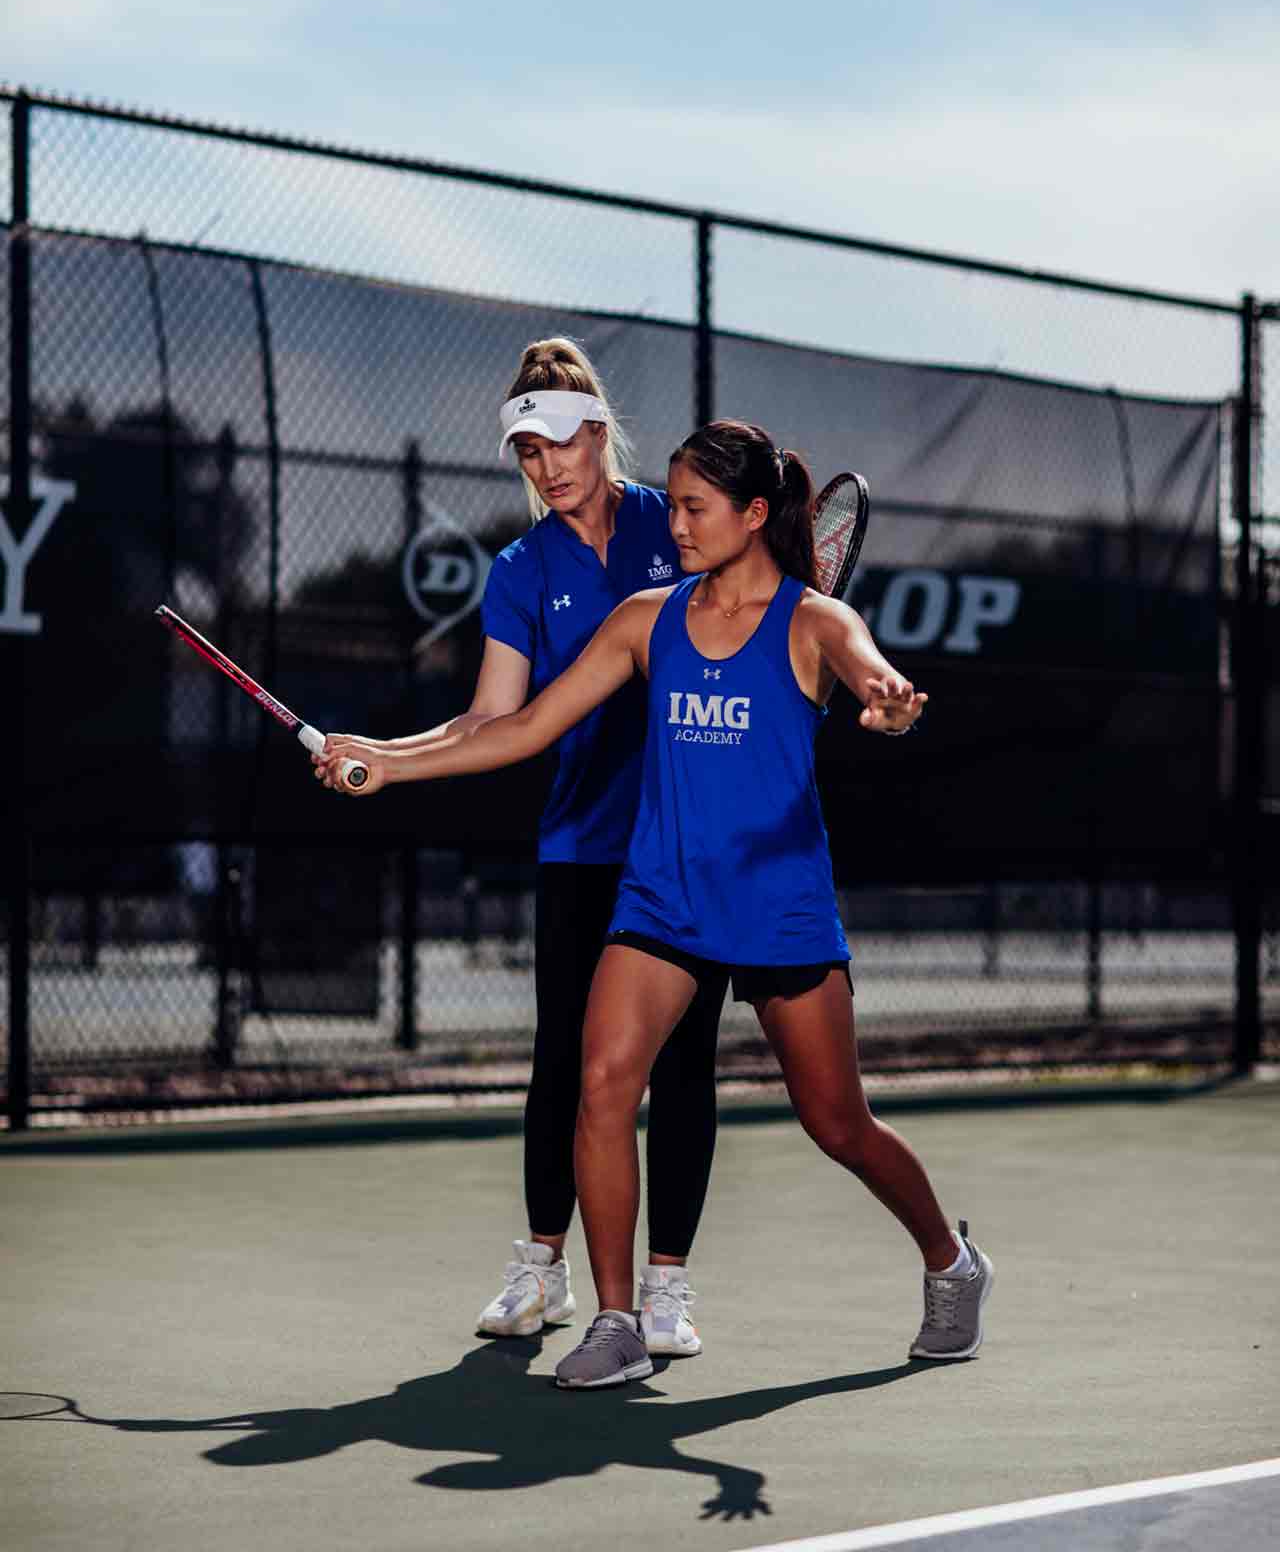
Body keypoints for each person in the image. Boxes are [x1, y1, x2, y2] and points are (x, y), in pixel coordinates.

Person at [316, 418, 994, 1390]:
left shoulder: (814, 621)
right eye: (670, 505)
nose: (673, 525)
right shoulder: (644, 619)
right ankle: (617, 1321)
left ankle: (949, 1259)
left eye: (693, 508)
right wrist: (388, 763)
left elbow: (869, 671)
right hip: (661, 901)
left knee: (838, 1123)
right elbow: (523, 727)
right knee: (601, 1084)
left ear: (753, 515)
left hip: (777, 908)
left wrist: (886, 703)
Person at [322, 338, 725, 1358]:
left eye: (558, 442)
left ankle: (666, 1287)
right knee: (565, 1063)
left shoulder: (673, 524)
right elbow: (490, 718)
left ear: (597, 432)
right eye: (527, 452)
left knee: (683, 1063)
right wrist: (382, 754)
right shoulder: (519, 570)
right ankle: (543, 1267)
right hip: (580, 846)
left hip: (688, 844)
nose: (546, 467)